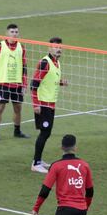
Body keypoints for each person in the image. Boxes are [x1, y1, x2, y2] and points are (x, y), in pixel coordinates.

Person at [30, 38, 68, 173]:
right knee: (45, 133)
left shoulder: (56, 62)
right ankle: (36, 163)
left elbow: (49, 80)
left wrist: (61, 82)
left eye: (60, 47)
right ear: (49, 48)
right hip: (43, 104)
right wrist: (36, 104)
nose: (58, 49)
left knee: (46, 133)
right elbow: (34, 85)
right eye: (55, 47)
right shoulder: (45, 63)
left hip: (51, 103)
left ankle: (38, 160)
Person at [0, 24, 30, 142]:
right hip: (3, 83)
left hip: (17, 84)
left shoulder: (21, 47)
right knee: (0, 107)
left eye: (16, 32)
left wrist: (25, 84)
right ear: (7, 33)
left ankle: (17, 131)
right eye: (12, 32)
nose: (14, 34)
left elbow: (24, 67)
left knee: (18, 108)